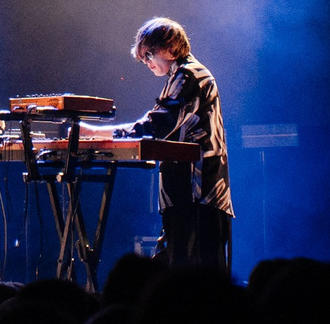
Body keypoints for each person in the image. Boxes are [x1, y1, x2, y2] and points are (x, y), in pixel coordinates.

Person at [97, 16, 231, 272]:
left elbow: (160, 122)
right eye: (143, 58)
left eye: (148, 54)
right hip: (192, 192)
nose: (146, 62)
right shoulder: (180, 75)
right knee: (180, 268)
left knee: (186, 273)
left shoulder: (188, 75)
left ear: (170, 47)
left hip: (198, 192)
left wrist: (103, 133)